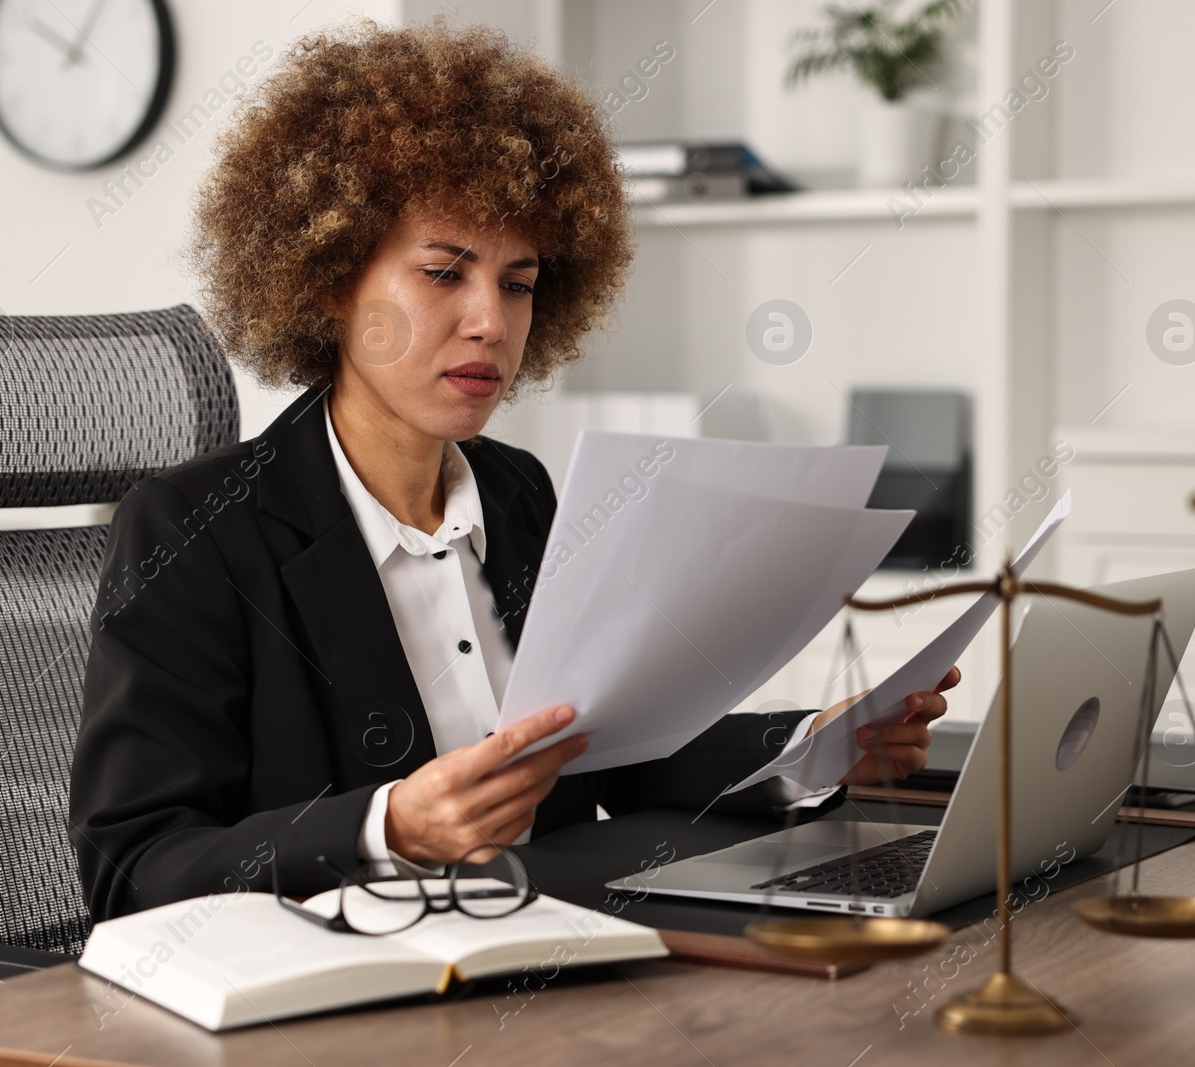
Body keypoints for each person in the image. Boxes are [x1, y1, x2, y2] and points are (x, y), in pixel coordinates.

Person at [68, 18, 957, 922]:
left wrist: (817, 746)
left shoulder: (518, 490)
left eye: (519, 283)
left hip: (560, 952)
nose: (491, 321)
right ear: (332, 282)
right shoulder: (198, 528)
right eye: (445, 274)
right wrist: (388, 829)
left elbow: (617, 745)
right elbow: (135, 867)